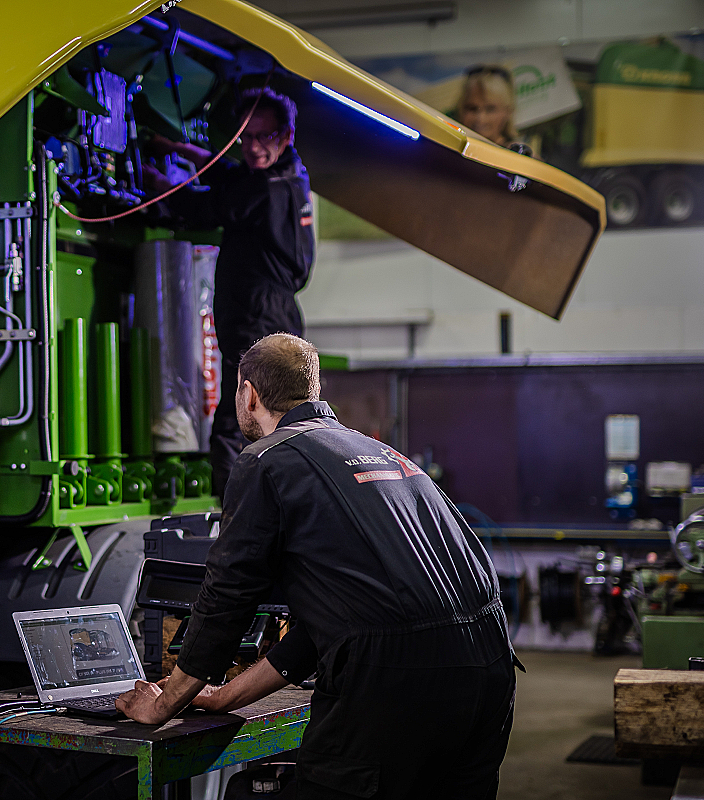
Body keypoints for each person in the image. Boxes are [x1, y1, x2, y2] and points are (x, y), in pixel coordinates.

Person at [116, 333, 520, 799]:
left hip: (394, 685)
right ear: (313, 389)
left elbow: (227, 594)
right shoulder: (382, 454)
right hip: (490, 669)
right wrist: (225, 696)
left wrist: (164, 704)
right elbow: (334, 623)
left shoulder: (266, 460)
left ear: (248, 393)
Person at [143, 88, 315, 495]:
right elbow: (233, 174)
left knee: (239, 416)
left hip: (258, 314)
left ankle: (233, 509)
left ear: (286, 135)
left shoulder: (267, 190)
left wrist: (157, 184)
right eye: (246, 138)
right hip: (276, 313)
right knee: (276, 412)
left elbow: (208, 207)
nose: (254, 147)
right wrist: (178, 148)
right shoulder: (290, 173)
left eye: (265, 137)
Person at [456, 65, 521, 148]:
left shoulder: (520, 156)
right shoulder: (450, 151)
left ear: (508, 111)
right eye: (472, 109)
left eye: (490, 109)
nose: (480, 118)